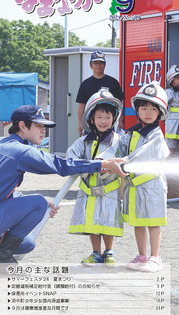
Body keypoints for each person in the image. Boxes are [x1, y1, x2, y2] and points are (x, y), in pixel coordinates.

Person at [0, 105, 126, 263]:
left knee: (27, 243)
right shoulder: (22, 151)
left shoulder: (6, 145)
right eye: (39, 125)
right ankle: (3, 258)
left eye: (44, 126)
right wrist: (101, 164)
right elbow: (61, 165)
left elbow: (4, 190)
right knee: (38, 202)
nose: (43, 130)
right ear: (22, 126)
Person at [101, 81, 169, 272]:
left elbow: (141, 155)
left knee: (153, 222)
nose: (148, 112)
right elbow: (116, 148)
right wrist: (103, 160)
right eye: (143, 107)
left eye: (153, 108)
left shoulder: (156, 135)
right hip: (135, 185)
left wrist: (122, 161)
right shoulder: (130, 133)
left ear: (160, 112)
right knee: (138, 221)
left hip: (152, 185)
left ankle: (155, 257)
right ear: (137, 110)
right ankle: (142, 256)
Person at [67, 89, 123, 265]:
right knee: (91, 221)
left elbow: (124, 158)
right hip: (89, 189)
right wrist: (89, 167)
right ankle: (96, 253)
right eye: (99, 117)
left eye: (107, 117)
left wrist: (112, 168)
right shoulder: (84, 141)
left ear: (114, 118)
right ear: (91, 118)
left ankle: (109, 251)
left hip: (109, 190)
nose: (103, 121)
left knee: (108, 220)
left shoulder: (119, 140)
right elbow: (71, 157)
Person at [76, 51, 124, 135]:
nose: (98, 65)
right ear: (90, 65)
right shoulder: (85, 84)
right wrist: (80, 123)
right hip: (90, 125)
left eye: (101, 63)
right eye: (95, 63)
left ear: (105, 65)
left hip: (108, 124)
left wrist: (120, 121)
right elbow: (81, 106)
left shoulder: (113, 82)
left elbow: (119, 104)